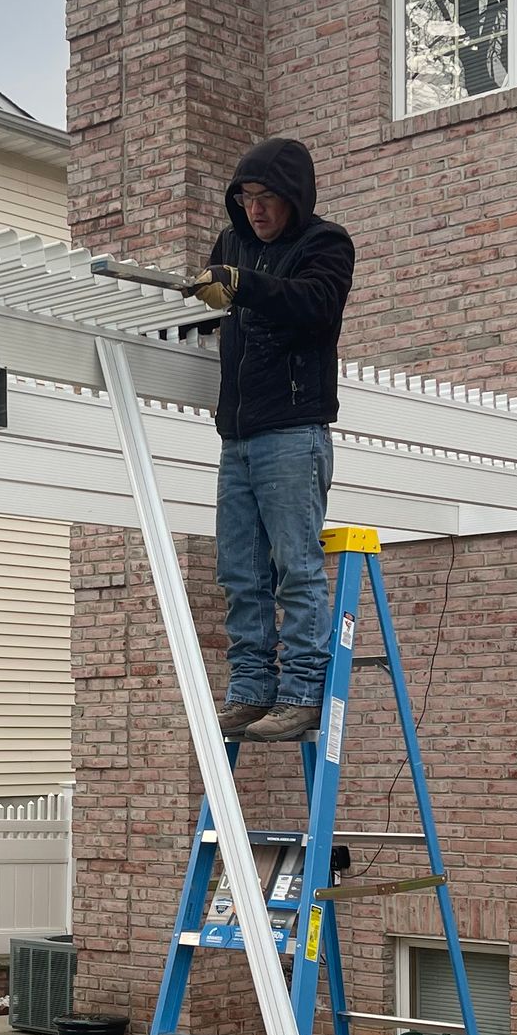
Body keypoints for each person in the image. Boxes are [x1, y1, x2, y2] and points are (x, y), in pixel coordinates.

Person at [190, 136, 354, 742]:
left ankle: (303, 690)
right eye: (246, 198)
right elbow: (221, 306)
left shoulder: (325, 244)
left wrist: (243, 285)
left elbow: (315, 304)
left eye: (267, 198)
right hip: (237, 434)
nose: (255, 210)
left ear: (294, 198)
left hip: (292, 429)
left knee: (296, 567)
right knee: (239, 568)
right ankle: (251, 688)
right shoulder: (232, 245)